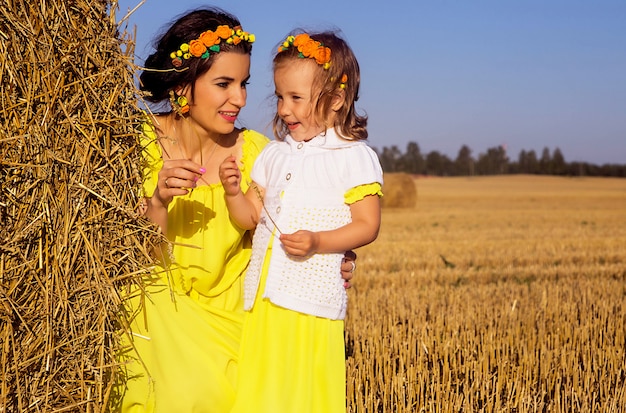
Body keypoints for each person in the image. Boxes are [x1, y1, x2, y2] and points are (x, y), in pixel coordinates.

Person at [118, 9, 355, 413]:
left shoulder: (260, 155)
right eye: (224, 84)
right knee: (189, 391)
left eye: (244, 83)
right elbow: (128, 254)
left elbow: (303, 219)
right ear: (182, 84)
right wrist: (157, 201)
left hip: (236, 314)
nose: (241, 99)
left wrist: (334, 252)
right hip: (159, 307)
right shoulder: (129, 144)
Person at [219, 30, 383, 412]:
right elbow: (251, 216)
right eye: (279, 96)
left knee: (303, 394)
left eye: (295, 98)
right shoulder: (273, 156)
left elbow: (367, 225)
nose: (282, 109)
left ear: (336, 99)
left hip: (311, 302)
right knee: (262, 393)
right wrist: (232, 193)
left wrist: (317, 242)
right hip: (263, 300)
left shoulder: (354, 157)